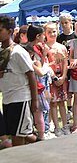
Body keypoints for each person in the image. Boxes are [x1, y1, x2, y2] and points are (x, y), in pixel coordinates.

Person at [0, 15, 39, 146]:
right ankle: (41, 143)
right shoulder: (2, 51)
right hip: (7, 98)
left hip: (20, 98)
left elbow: (31, 75)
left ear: (9, 31)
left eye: (0, 30)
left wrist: (35, 100)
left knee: (18, 137)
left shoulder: (18, 52)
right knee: (17, 132)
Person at [44, 22, 70, 137]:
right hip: (51, 79)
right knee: (53, 104)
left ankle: (65, 125)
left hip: (61, 78)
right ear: (45, 33)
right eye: (49, 32)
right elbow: (45, 64)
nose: (52, 34)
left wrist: (63, 76)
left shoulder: (61, 47)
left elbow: (65, 63)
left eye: (54, 31)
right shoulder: (44, 48)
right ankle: (56, 127)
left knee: (62, 103)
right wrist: (54, 77)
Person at [26, 25, 50, 140]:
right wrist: (45, 64)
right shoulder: (31, 49)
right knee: (38, 111)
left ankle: (41, 132)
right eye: (43, 34)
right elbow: (40, 70)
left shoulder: (35, 48)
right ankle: (41, 134)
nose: (44, 37)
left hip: (37, 82)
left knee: (38, 111)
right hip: (35, 84)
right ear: (38, 36)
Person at [56, 14, 77, 120]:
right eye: (62, 23)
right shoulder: (59, 38)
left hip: (75, 65)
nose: (64, 25)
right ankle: (69, 109)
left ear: (70, 22)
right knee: (68, 89)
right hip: (65, 66)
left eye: (66, 22)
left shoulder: (75, 36)